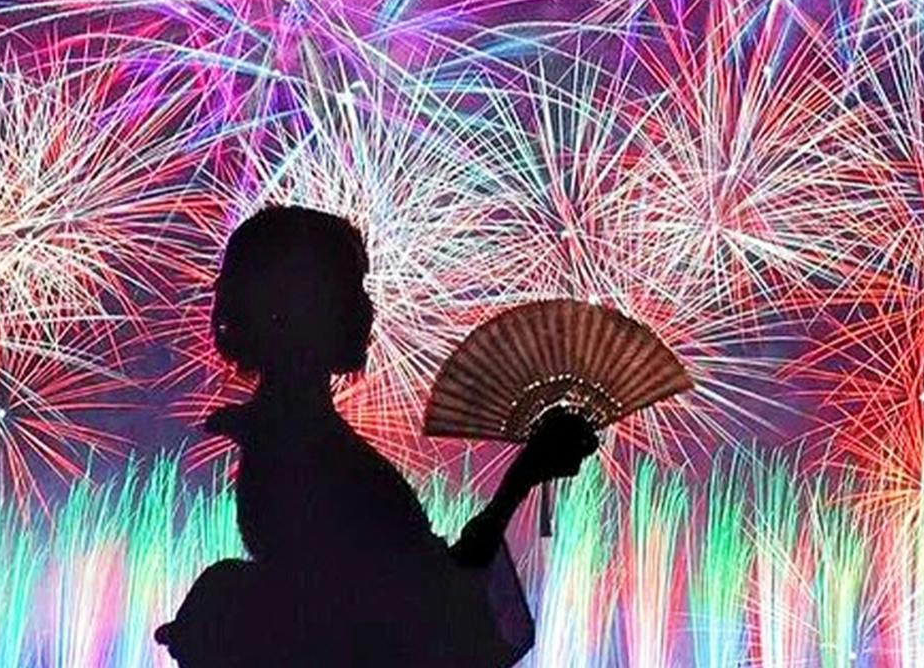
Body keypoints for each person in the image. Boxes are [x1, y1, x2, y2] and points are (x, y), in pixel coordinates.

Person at [155, 205, 599, 667]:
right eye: (350, 288)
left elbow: (412, 589)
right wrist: (521, 480)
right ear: (296, 307)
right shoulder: (306, 453)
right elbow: (411, 610)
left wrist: (521, 480)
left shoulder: (289, 440)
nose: (367, 307)